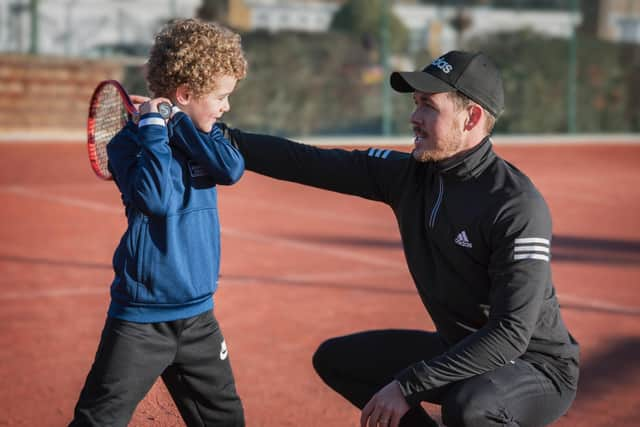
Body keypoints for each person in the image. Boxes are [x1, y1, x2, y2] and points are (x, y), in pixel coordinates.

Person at [226, 50, 579, 427]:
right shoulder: (408, 176)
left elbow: (510, 334)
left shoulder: (514, 205)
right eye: (415, 104)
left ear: (471, 116)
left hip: (533, 366)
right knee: (340, 360)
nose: (414, 117)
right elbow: (307, 161)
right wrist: (218, 136)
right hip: (460, 349)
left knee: (470, 408)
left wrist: (409, 385)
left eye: (428, 106)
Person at [69, 18, 248, 427]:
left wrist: (178, 122)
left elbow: (231, 169)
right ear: (186, 93)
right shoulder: (128, 144)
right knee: (99, 420)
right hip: (140, 320)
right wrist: (152, 128)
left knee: (226, 420)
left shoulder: (207, 135)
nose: (226, 107)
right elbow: (156, 199)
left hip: (200, 319)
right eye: (220, 97)